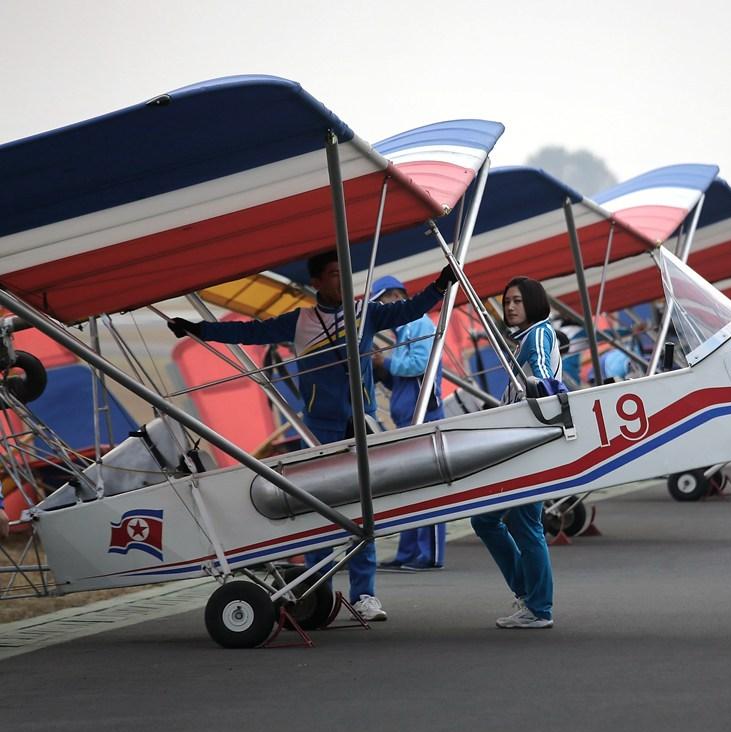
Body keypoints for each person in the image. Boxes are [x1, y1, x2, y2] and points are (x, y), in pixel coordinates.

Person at [168, 252, 456, 621]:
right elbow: (249, 332)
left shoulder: (364, 312)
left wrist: (439, 285)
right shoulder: (301, 321)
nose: (343, 281)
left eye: (345, 275)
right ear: (317, 282)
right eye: (335, 275)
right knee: (315, 509)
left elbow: (408, 310)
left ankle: (365, 595)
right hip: (318, 427)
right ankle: (315, 590)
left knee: (361, 509)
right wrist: (197, 329)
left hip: (360, 424)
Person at [470, 276, 565, 629]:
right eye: (507, 301)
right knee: (485, 520)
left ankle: (538, 607)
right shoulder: (527, 336)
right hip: (521, 441)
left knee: (525, 524)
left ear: (534, 303)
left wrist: (540, 388)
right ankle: (529, 596)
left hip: (530, 442)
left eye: (517, 301)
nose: (509, 307)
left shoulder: (538, 333)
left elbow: (541, 374)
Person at [370, 275, 447, 574]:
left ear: (393, 297)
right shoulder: (404, 330)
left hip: (423, 416)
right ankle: (408, 551)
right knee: (409, 489)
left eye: (381, 303)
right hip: (408, 416)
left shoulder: (420, 325)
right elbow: (404, 377)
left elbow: (420, 365)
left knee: (426, 488)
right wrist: (384, 369)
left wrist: (385, 363)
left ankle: (429, 555)